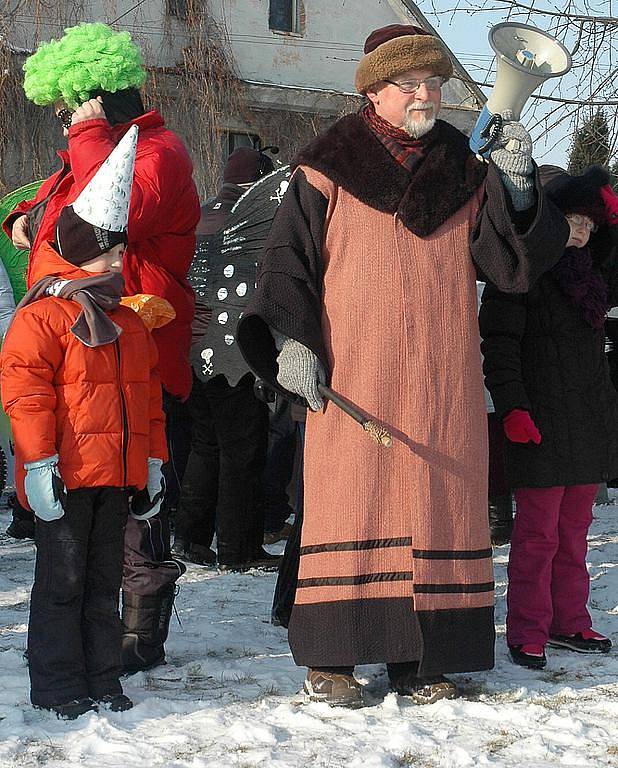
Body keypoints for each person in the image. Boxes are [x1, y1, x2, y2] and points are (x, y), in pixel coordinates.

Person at [237, 24, 569, 707]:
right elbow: (286, 263)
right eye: (410, 84)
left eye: (435, 83)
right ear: (374, 92)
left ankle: (426, 661)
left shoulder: (465, 165)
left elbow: (511, 268)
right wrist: (294, 343)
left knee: (439, 511)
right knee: (348, 511)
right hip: (356, 375)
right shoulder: (326, 163)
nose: (426, 94)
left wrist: (521, 189)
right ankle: (330, 659)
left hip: (441, 383)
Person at [1, 22, 200, 673]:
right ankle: (105, 627)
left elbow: (100, 221)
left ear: (98, 100)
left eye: (72, 109)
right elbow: (61, 207)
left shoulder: (158, 151)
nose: (66, 122)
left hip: (134, 354)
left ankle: (141, 637)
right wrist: (23, 219)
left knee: (136, 511)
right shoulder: (110, 148)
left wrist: (86, 139)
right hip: (81, 356)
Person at [0, 129, 168, 719]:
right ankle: (57, 684)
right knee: (61, 585)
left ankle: (103, 677)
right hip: (66, 479)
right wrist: (37, 464)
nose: (121, 262)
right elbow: (26, 397)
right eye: (111, 252)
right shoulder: (44, 319)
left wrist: (151, 462)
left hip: (116, 479)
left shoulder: (130, 322)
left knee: (103, 585)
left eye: (120, 252)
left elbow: (146, 400)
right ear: (80, 253)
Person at [480, 166, 618, 669]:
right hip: (537, 420)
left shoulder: (594, 280)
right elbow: (498, 345)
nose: (582, 233)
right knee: (537, 536)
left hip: (585, 421)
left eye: (591, 224)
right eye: (572, 221)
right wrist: (512, 406)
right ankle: (528, 627)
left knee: (574, 532)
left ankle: (569, 621)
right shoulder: (520, 273)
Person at [173, 148, 280, 570]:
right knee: (242, 450)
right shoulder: (258, 218)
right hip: (235, 351)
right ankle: (239, 549)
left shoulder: (196, 216)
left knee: (205, 443)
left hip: (191, 346)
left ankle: (191, 537)